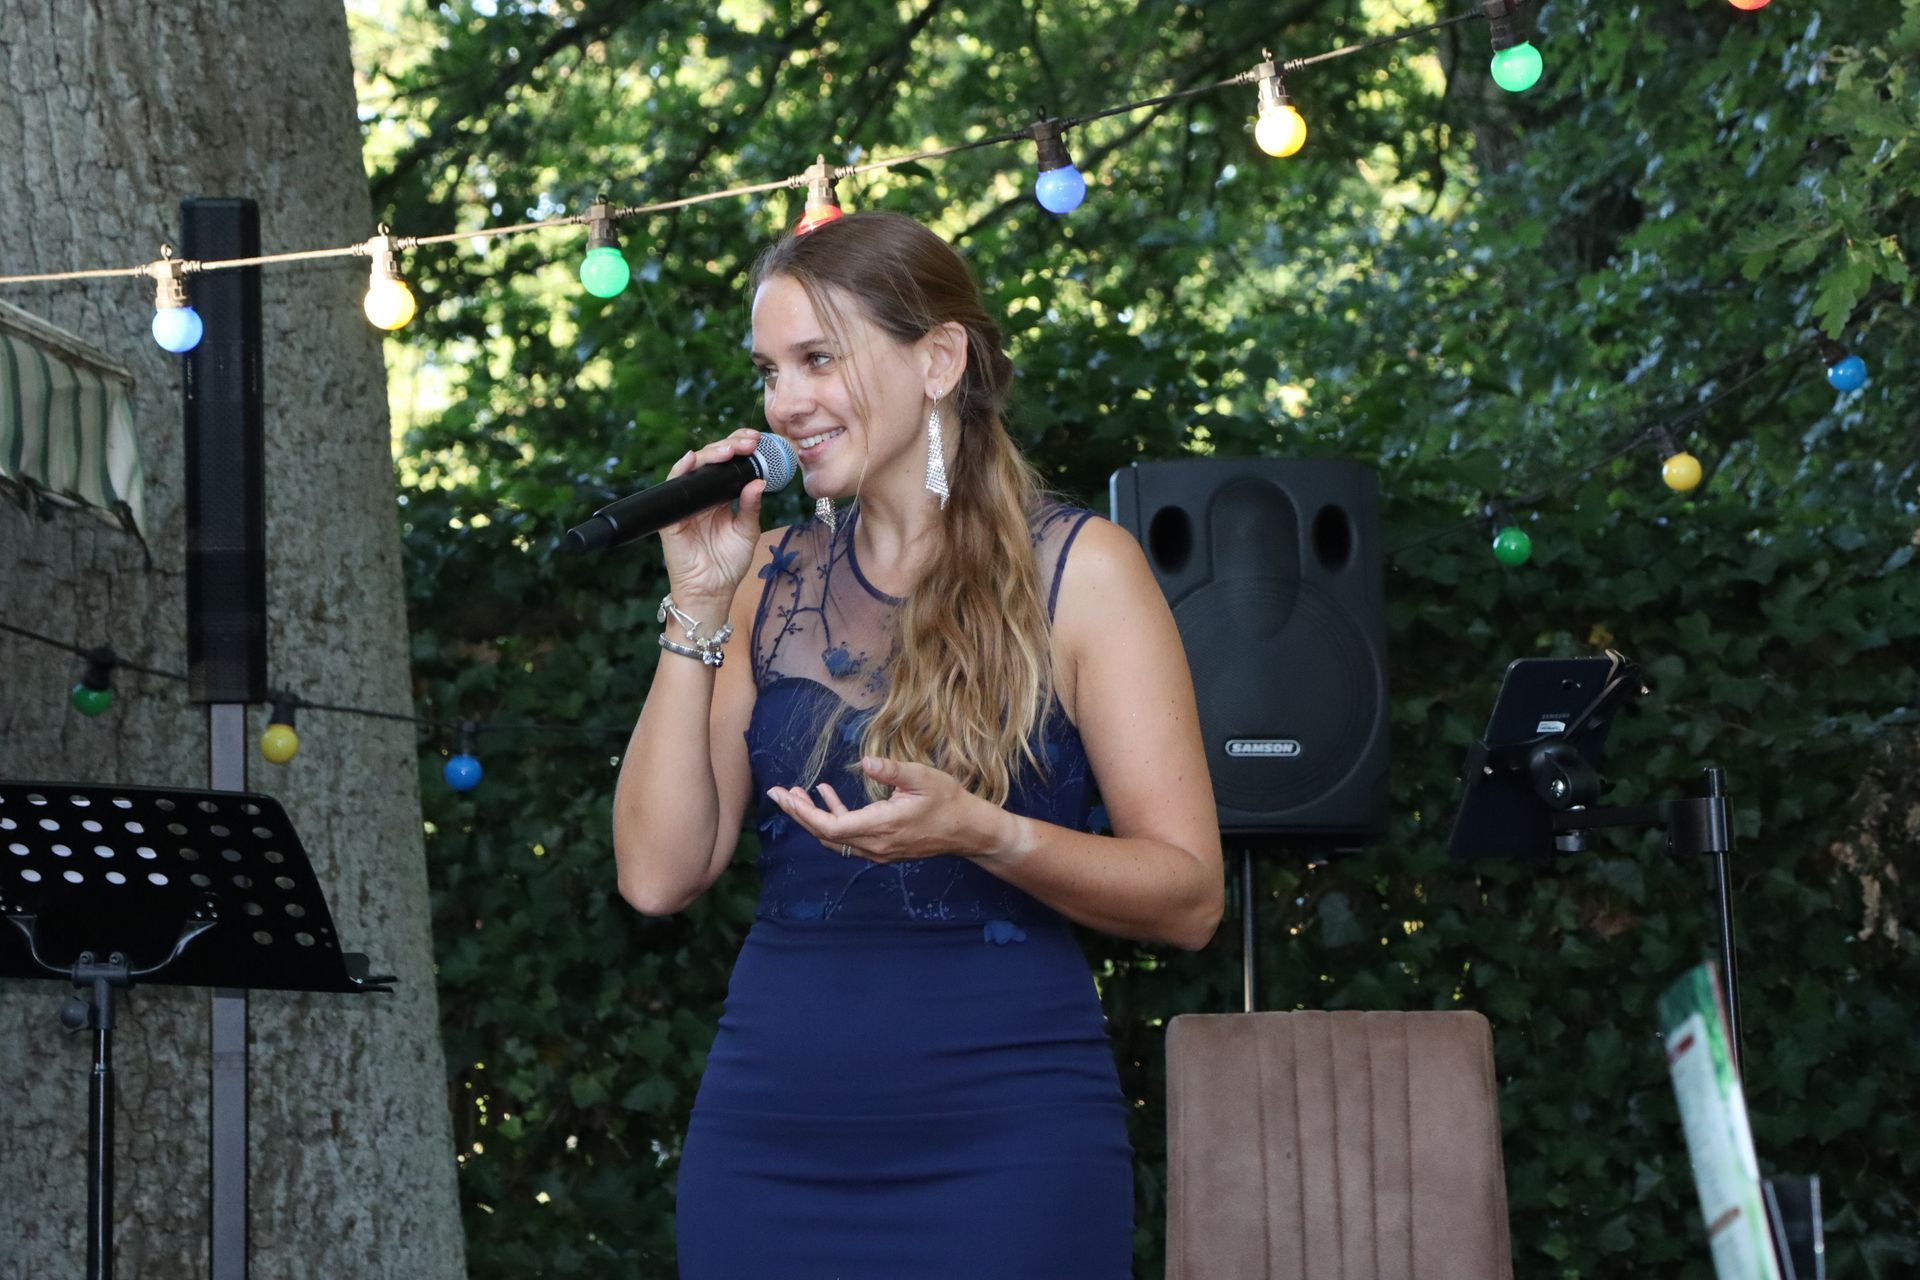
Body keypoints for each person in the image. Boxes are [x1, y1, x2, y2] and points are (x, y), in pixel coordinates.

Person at [612, 210, 1222, 1278]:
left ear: (938, 358)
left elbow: (1189, 895)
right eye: (768, 370)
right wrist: (698, 604)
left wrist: (987, 833)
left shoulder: (1085, 571)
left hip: (1010, 1148)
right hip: (767, 1147)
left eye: (817, 358)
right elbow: (659, 875)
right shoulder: (765, 577)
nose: (783, 402)